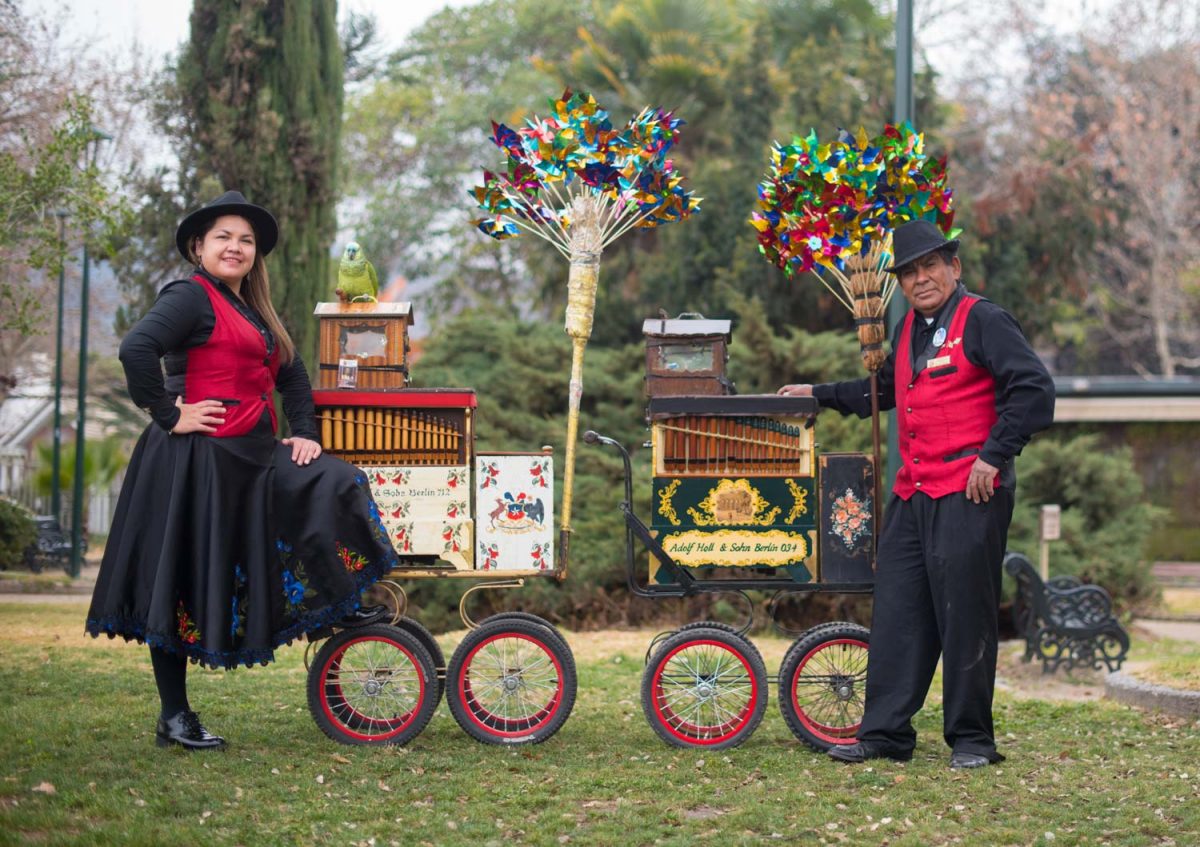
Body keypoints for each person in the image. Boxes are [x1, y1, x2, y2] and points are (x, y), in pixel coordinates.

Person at [86, 191, 395, 751]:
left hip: (249, 456)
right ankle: (174, 718)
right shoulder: (189, 296)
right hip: (194, 461)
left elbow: (294, 375)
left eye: (246, 240)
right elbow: (137, 349)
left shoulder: (252, 311)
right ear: (198, 247)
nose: (236, 247)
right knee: (177, 577)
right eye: (223, 237)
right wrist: (169, 414)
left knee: (333, 480)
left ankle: (330, 601)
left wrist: (304, 432)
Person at [778, 219, 1055, 769]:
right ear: (900, 284)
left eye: (931, 266)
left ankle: (972, 739)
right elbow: (879, 392)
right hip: (915, 492)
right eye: (909, 272)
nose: (921, 278)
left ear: (954, 267)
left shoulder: (985, 320)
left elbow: (1034, 390)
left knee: (965, 615)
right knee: (899, 611)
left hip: (970, 492)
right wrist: (818, 393)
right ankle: (885, 734)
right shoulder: (906, 330)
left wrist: (993, 456)